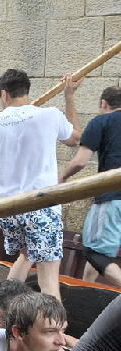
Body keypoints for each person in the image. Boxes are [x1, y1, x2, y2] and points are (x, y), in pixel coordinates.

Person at [0, 70, 81, 297]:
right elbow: (75, 138)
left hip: (7, 210)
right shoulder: (50, 115)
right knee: (48, 281)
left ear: (4, 94)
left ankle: (0, 304)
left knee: (27, 254)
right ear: (25, 91)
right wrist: (69, 96)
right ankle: (56, 330)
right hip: (42, 207)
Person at [61, 86, 121, 288]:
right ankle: (85, 290)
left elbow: (80, 161)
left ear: (104, 104)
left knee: (93, 252)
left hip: (112, 199)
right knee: (99, 254)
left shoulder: (101, 121)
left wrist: (61, 177)